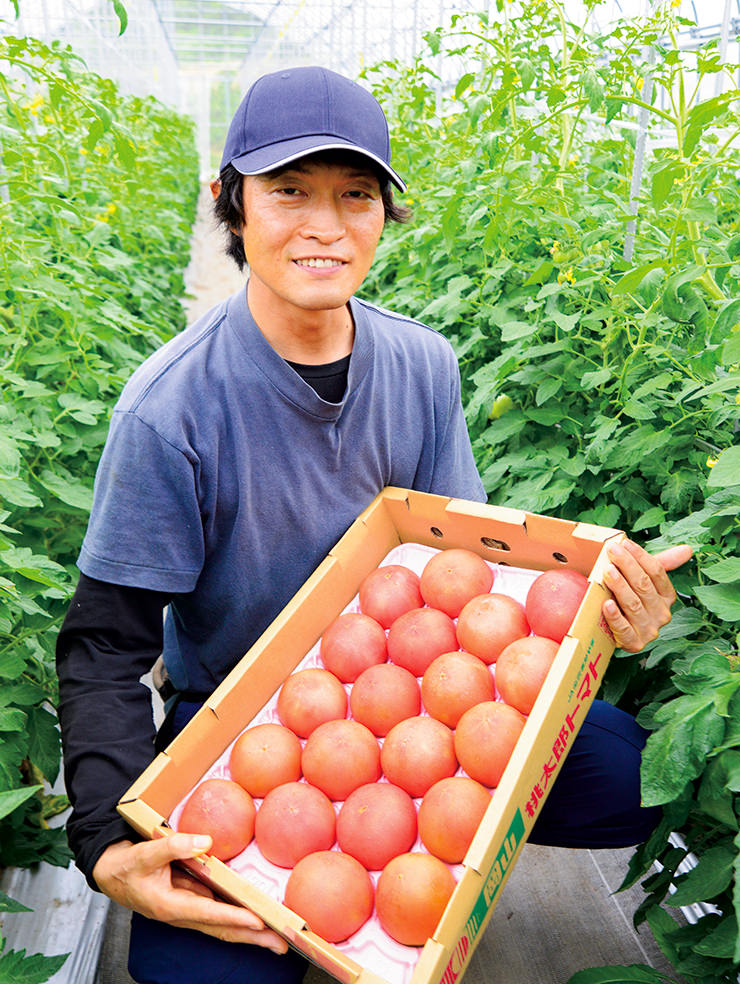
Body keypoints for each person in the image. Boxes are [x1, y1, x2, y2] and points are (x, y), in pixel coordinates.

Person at [56, 66, 691, 984]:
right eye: (288, 192)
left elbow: (471, 574)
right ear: (228, 202)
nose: (325, 225)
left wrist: (599, 621)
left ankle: (415, 859)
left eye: (356, 195)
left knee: (646, 780)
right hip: (241, 724)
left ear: (386, 214)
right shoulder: (170, 410)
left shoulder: (421, 364)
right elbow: (104, 647)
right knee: (198, 971)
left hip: (436, 687)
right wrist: (106, 839)